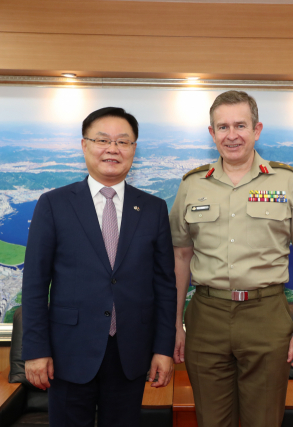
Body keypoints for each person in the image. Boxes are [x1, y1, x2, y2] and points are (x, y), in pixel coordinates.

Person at [169, 91, 293, 427]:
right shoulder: (192, 185)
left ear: (257, 129)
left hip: (265, 316)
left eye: (240, 125)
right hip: (206, 318)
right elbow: (180, 256)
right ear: (212, 134)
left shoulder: (287, 181)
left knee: (264, 420)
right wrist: (175, 323)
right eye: (222, 127)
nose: (232, 135)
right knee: (211, 420)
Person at [22, 107, 177, 427]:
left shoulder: (153, 208)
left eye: (123, 142)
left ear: (134, 149)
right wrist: (36, 350)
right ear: (84, 145)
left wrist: (164, 349)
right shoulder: (53, 204)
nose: (113, 149)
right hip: (68, 353)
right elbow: (35, 283)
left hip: (131, 353)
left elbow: (165, 285)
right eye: (103, 140)